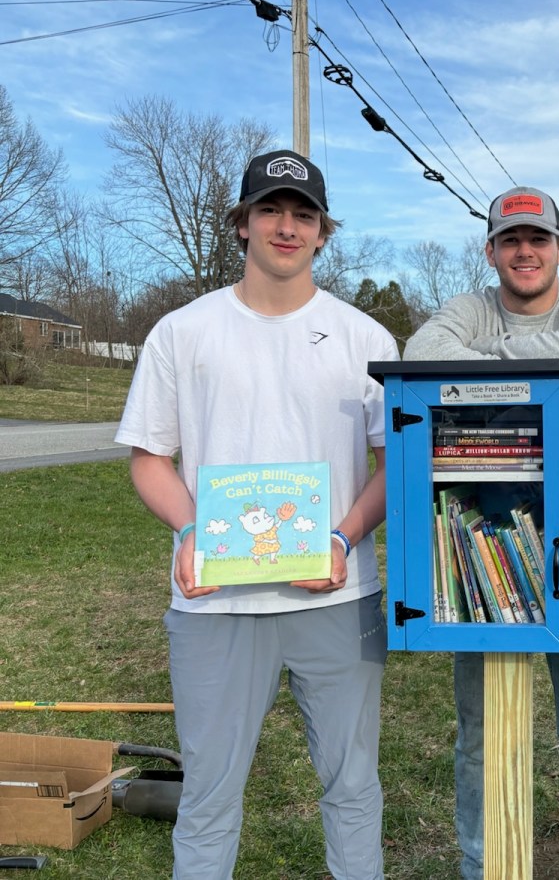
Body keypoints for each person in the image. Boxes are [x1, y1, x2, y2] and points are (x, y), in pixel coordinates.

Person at [115, 149, 399, 880]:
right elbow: (151, 458)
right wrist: (187, 529)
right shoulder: (183, 331)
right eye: (270, 210)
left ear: (323, 233)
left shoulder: (366, 339)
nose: (286, 226)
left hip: (338, 595)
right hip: (215, 605)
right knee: (209, 796)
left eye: (303, 215)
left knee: (354, 787)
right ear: (242, 224)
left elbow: (392, 465)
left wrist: (342, 536)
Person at [402, 186, 559, 880]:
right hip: (481, 542)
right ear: (491, 249)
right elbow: (422, 351)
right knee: (480, 735)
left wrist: (485, 361)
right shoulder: (467, 307)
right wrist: (530, 363)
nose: (524, 252)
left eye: (538, 240)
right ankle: (482, 866)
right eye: (510, 240)